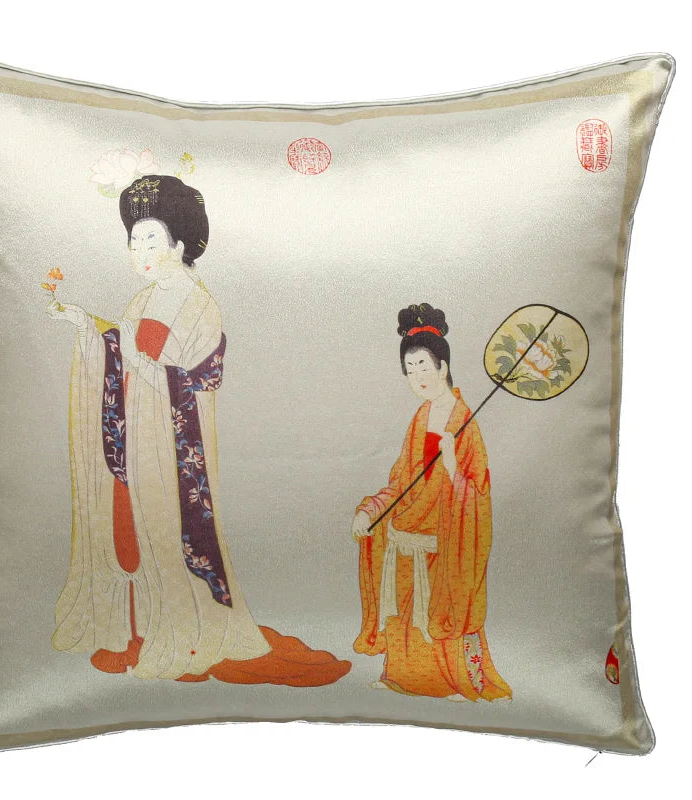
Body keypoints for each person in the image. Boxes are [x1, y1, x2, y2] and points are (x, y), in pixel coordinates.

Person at [46, 173, 349, 686]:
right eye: (134, 241)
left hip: (170, 443)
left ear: (180, 244)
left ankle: (185, 637)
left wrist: (143, 364)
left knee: (168, 532)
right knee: (128, 530)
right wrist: (89, 331)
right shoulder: (141, 301)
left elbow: (195, 380)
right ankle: (136, 632)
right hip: (133, 434)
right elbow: (122, 352)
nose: (140, 252)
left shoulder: (200, 307)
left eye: (152, 240)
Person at [352, 303, 512, 701]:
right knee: (405, 612)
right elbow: (400, 482)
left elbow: (479, 494)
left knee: (440, 612)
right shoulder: (420, 418)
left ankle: (455, 682)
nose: (418, 377)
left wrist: (454, 468)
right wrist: (370, 510)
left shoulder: (464, 423)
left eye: (423, 366)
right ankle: (401, 677)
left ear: (443, 367)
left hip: (445, 541)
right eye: (410, 370)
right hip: (407, 538)